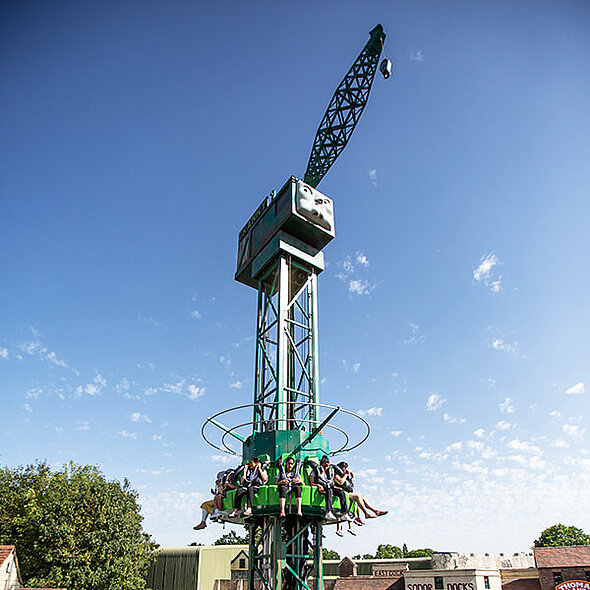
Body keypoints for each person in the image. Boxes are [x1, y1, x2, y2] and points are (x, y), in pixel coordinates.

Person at [308, 455, 350, 522]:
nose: (326, 467)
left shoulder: (330, 472)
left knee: (341, 492)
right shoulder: (315, 471)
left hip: (329, 487)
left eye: (327, 466)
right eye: (325, 465)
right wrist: (318, 485)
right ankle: (328, 512)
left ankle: (344, 513)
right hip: (322, 487)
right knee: (329, 490)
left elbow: (331, 482)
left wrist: (337, 488)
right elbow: (311, 483)